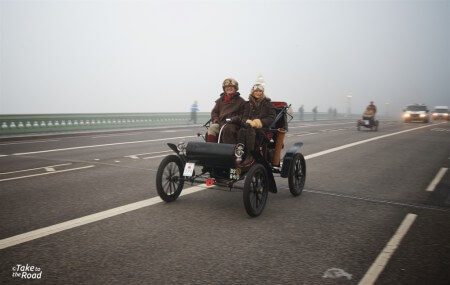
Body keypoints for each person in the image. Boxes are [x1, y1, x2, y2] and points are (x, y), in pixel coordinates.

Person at [237, 83, 276, 167]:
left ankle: (250, 156)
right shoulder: (247, 104)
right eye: (256, 91)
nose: (258, 93)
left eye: (260, 91)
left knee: (249, 130)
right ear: (252, 92)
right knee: (242, 130)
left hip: (262, 130)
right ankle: (239, 154)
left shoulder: (268, 104)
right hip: (248, 127)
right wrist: (247, 121)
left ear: (262, 92)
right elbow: (243, 117)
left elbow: (271, 118)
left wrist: (258, 122)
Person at [207, 78, 246, 143]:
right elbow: (214, 112)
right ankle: (211, 148)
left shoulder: (241, 101)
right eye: (227, 87)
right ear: (224, 89)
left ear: (235, 88)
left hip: (233, 124)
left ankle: (228, 150)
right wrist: (215, 119)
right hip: (220, 123)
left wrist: (234, 119)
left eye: (231, 87)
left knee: (228, 129)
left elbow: (243, 115)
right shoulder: (220, 100)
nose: (229, 88)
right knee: (212, 128)